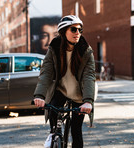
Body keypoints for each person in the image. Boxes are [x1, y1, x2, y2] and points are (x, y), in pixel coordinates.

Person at [33, 15, 96, 148]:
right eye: (73, 29)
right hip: (60, 91)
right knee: (54, 123)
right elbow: (46, 73)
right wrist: (39, 96)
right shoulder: (54, 48)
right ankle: (55, 138)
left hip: (79, 96)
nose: (77, 33)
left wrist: (88, 101)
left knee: (76, 130)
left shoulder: (86, 50)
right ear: (63, 32)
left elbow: (89, 76)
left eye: (80, 30)